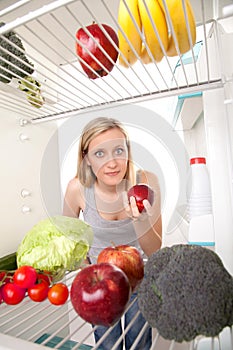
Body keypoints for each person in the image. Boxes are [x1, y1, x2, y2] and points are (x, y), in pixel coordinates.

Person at [63, 117, 162, 350]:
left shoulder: (146, 182)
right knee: (108, 345)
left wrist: (141, 221)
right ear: (86, 158)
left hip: (140, 280)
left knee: (139, 343)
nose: (112, 163)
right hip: (99, 283)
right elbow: (70, 240)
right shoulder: (77, 189)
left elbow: (155, 250)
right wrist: (88, 274)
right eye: (100, 154)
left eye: (118, 150)